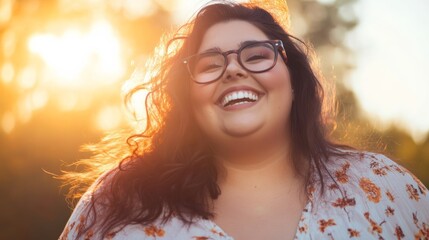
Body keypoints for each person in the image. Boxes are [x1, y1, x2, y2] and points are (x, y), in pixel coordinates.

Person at [59, 1, 429, 239]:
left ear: (294, 82)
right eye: (210, 64)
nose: (233, 70)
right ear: (188, 99)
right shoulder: (117, 201)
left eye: (255, 56)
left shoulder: (384, 189)